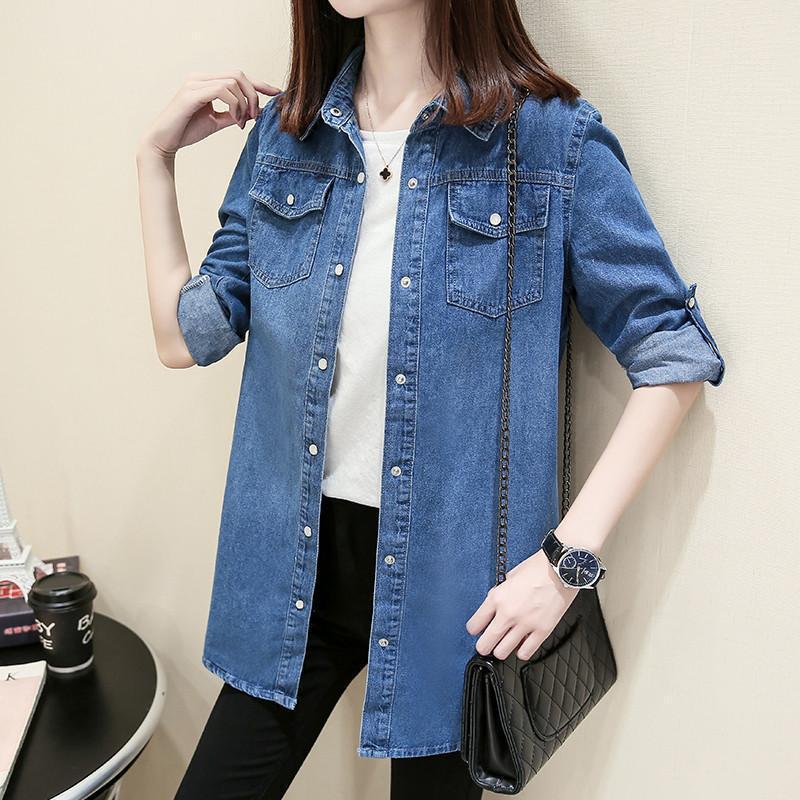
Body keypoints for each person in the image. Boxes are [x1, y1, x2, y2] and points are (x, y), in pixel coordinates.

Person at [135, 1, 725, 797]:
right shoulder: (286, 139)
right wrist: (153, 160)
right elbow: (187, 337)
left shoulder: (547, 142)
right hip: (296, 577)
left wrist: (565, 565)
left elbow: (673, 354)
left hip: (455, 599)